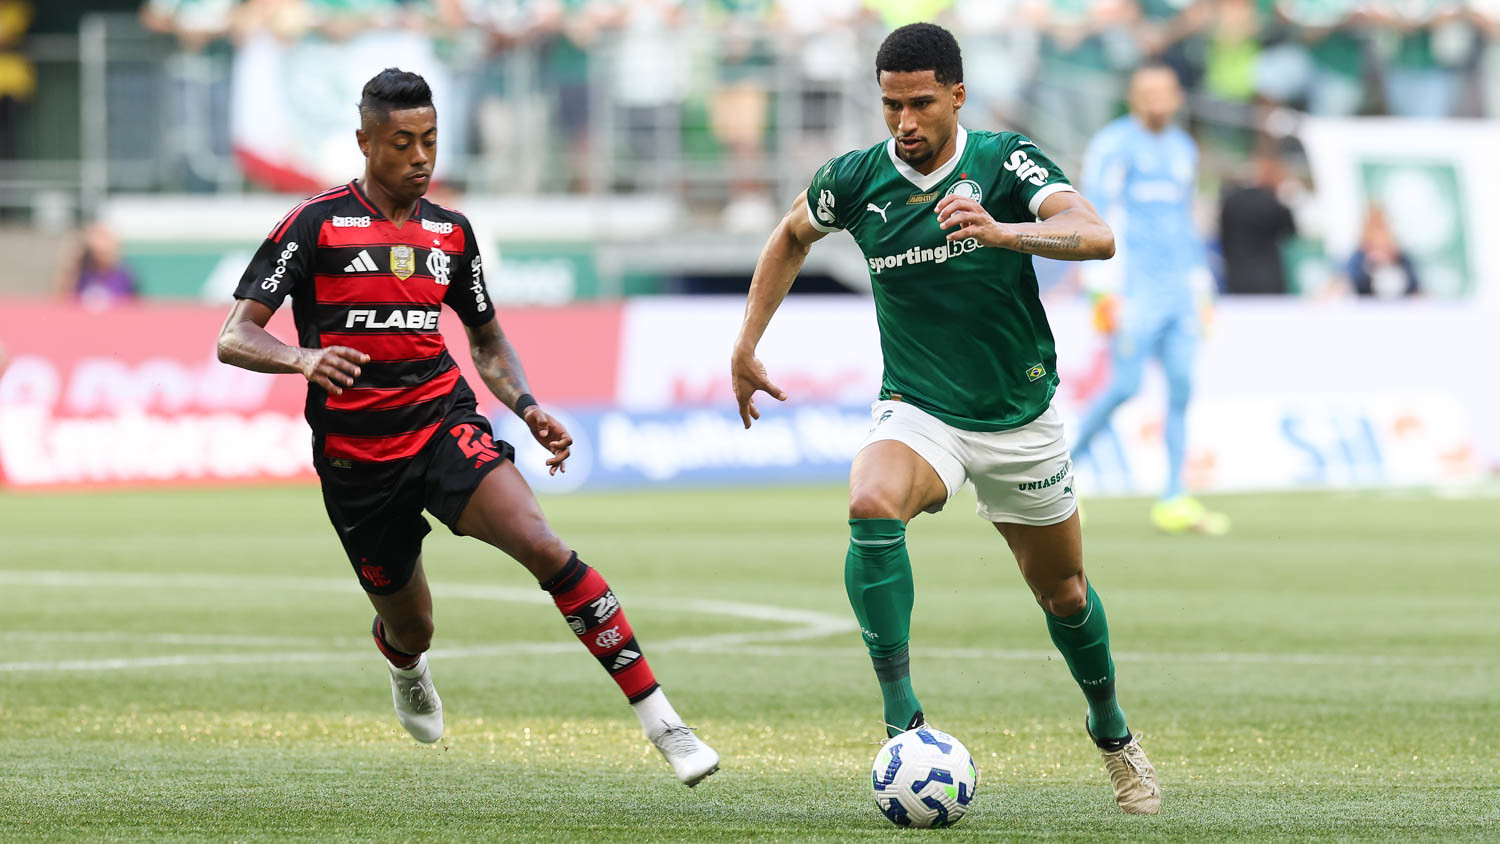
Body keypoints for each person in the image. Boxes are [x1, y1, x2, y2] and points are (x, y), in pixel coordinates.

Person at [216, 68, 718, 786]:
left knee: (545, 545)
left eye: (429, 141)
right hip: (357, 459)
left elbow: (485, 341)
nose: (420, 157)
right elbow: (235, 336)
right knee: (412, 623)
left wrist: (526, 403)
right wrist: (303, 357)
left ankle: (664, 723)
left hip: (442, 425)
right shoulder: (315, 223)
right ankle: (405, 663)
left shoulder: (451, 234)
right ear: (364, 141)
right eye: (401, 143)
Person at [731, 24, 1160, 814]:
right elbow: (790, 236)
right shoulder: (855, 180)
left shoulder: (1004, 162)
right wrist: (747, 342)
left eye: (921, 103)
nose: (905, 122)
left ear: (957, 95)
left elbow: (1097, 234)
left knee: (1064, 592)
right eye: (891, 104)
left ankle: (1112, 731)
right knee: (869, 502)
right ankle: (903, 720)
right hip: (922, 411)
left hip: (1019, 417)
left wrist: (1005, 231)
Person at [1072, 63, 1229, 535]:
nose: (1157, 101)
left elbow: (1187, 219)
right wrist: (1102, 287)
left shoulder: (1183, 149)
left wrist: (1202, 286)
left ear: (1178, 97)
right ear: (1134, 98)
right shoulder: (1113, 146)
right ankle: (1058, 477)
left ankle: (1175, 497)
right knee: (1124, 386)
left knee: (1182, 388)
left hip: (1180, 290)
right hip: (1133, 289)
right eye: (1148, 92)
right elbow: (1091, 214)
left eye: (1166, 91)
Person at [1219, 149, 1297, 295]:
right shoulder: (1274, 204)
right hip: (1269, 278)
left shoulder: (1231, 201)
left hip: (1237, 276)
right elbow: (1291, 232)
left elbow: (1223, 235)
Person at [1346, 205, 1420, 299]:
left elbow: (1417, 290)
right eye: (1374, 227)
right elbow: (1345, 282)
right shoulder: (1359, 259)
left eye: (1382, 226)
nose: (1379, 234)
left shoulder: (1401, 258)